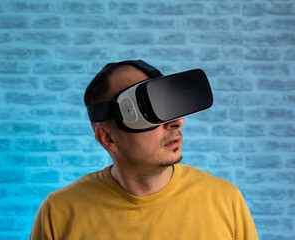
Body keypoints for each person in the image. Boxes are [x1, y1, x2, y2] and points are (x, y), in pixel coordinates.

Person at [30, 60, 258, 239]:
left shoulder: (225, 200)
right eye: (148, 110)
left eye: (167, 104)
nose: (177, 122)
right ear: (108, 138)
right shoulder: (59, 213)